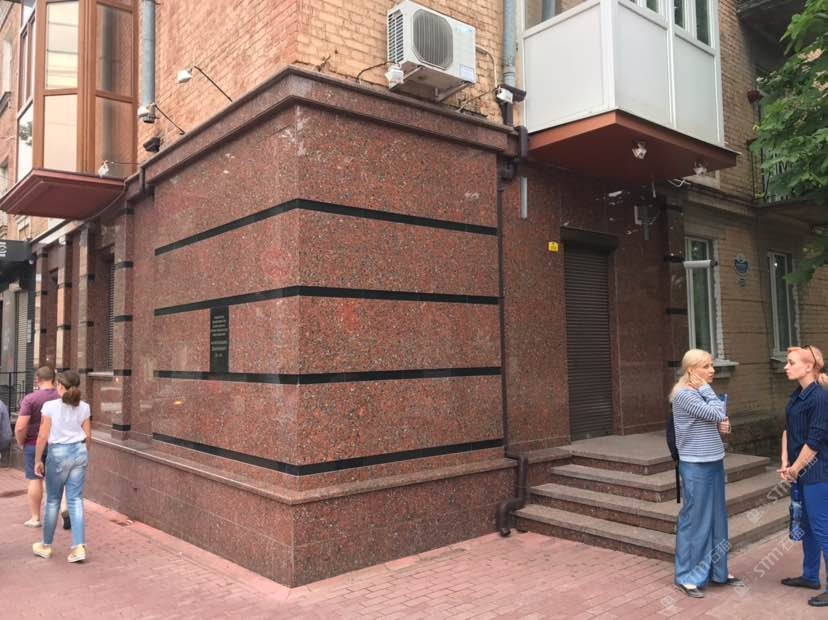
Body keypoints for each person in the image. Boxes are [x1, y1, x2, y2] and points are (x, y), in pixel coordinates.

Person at [670, 348, 742, 598]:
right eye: (706, 366)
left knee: (717, 518)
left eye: (712, 365)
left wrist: (722, 428)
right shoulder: (684, 395)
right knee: (695, 520)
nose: (712, 370)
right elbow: (717, 412)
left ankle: (717, 571)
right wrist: (707, 391)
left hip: (713, 460)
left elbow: (716, 420)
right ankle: (687, 576)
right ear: (692, 371)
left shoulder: (700, 393)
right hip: (695, 465)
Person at [779, 345, 828, 607]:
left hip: (819, 473)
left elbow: (816, 439)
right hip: (801, 471)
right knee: (807, 525)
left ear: (809, 366)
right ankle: (810, 576)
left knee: (822, 529)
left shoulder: (819, 397)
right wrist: (785, 462)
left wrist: (796, 467)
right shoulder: (797, 394)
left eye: (791, 362)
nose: (785, 366)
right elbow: (788, 430)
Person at [32, 370, 91, 563]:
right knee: (75, 499)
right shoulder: (84, 407)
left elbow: (42, 436)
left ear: (60, 386)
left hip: (58, 454)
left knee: (53, 501)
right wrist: (83, 454)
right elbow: (88, 437)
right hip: (79, 451)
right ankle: (79, 547)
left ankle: (46, 546)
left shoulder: (50, 407)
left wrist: (38, 460)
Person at [14, 366, 60, 528]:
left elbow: (20, 427)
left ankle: (35, 518)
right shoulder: (61, 396)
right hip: (57, 444)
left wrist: (21, 441)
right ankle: (61, 511)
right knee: (58, 480)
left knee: (35, 479)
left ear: (37, 379)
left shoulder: (30, 399)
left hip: (33, 444)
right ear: (54, 379)